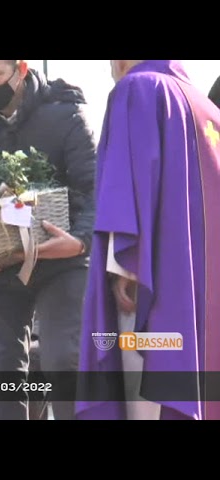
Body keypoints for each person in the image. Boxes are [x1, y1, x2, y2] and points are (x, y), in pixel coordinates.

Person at [0, 60, 97, 420]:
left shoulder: (67, 114)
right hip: (0, 262)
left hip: (63, 260)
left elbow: (96, 189)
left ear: (22, 69)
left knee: (64, 356)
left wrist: (79, 242)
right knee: (1, 363)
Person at [76, 60, 220, 421]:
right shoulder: (207, 109)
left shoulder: (138, 89)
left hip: (152, 298)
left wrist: (125, 268)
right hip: (203, 302)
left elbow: (125, 189)